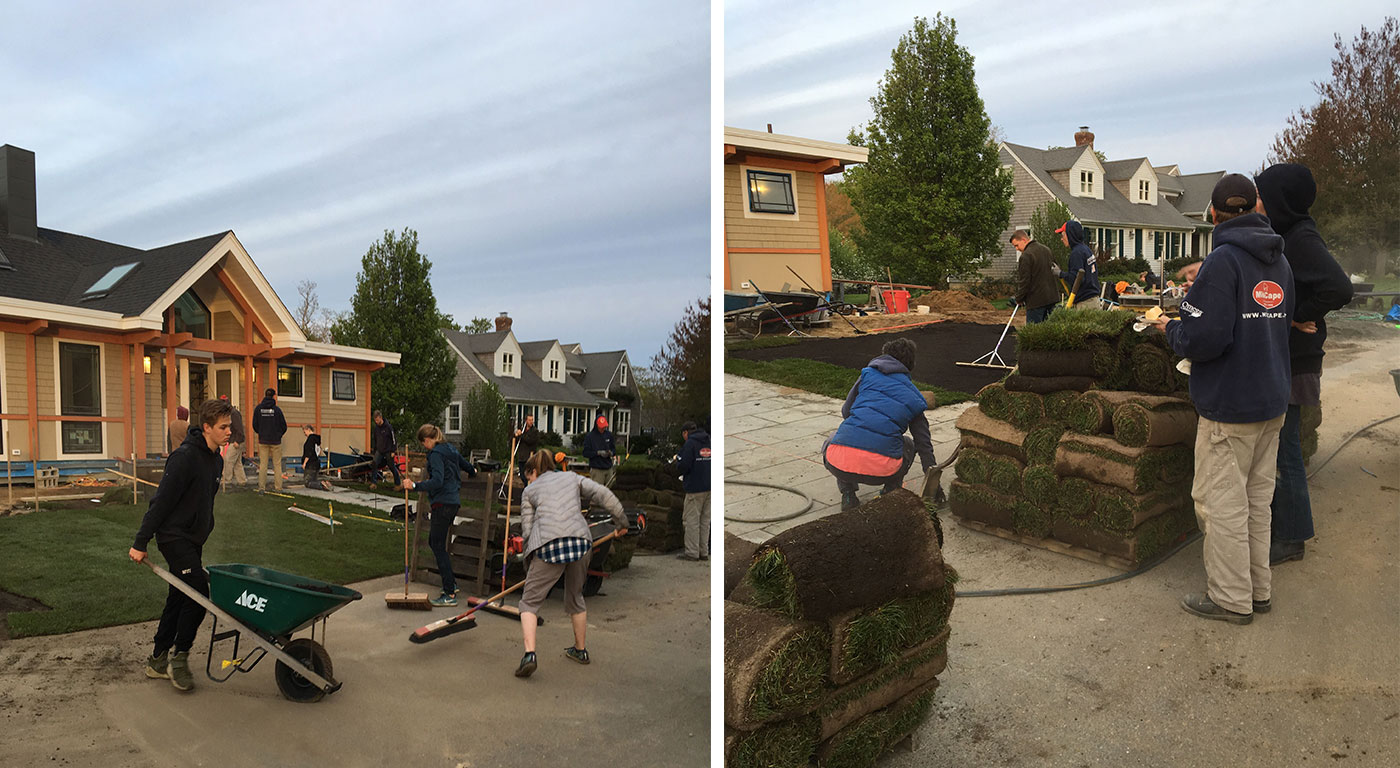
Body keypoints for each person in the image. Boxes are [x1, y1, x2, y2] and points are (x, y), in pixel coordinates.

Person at [1149, 173, 1293, 625]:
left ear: (1213, 214)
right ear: (1256, 207)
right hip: (1271, 401)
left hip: (1230, 407)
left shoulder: (1224, 260)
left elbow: (1204, 338)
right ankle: (1257, 589)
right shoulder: (1279, 262)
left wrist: (1170, 328)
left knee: (1221, 505)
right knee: (1256, 501)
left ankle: (1231, 599)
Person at [1255, 163, 1354, 565]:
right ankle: (1286, 528)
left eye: (1263, 194)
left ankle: (1292, 538)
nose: (1258, 201)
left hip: (1297, 358)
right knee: (1281, 445)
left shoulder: (1301, 237)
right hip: (1290, 355)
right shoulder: (1286, 235)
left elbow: (1340, 286)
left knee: (1285, 448)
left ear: (1279, 199)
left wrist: (1297, 313)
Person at [128, 398, 234, 692]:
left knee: (178, 596)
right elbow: (160, 503)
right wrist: (140, 542)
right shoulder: (184, 458)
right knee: (198, 594)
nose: (230, 431)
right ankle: (180, 656)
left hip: (193, 538)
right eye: (224, 427)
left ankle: (158, 660)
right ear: (207, 427)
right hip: (174, 538)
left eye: (230, 426)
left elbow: (203, 501)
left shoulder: (216, 460)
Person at [512, 450, 626, 678]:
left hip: (549, 545)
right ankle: (581, 650)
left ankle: (530, 655)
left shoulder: (530, 490)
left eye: (529, 476)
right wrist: (621, 521)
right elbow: (603, 494)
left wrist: (528, 559)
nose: (529, 481)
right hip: (581, 543)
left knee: (529, 603)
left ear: (534, 471)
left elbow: (527, 528)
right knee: (576, 597)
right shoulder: (572, 477)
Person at [822, 338, 937, 511]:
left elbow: (846, 412)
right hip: (884, 471)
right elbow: (924, 444)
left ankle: (848, 495)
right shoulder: (914, 397)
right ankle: (889, 493)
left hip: (838, 465)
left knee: (834, 439)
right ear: (911, 364)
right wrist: (935, 485)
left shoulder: (867, 376)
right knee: (909, 444)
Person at [402, 424, 477, 608]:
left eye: (423, 443)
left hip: (442, 503)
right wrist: (473, 471)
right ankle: (450, 583)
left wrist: (414, 486)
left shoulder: (436, 454)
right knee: (435, 542)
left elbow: (437, 480)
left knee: (436, 544)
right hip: (452, 502)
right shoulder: (450, 449)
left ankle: (449, 592)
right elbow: (466, 466)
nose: (424, 446)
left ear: (428, 440)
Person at [676, 421, 711, 562]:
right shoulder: (709, 440)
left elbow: (684, 465)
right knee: (705, 520)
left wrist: (677, 465)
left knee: (691, 520)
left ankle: (692, 552)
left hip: (695, 488)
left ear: (686, 432)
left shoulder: (690, 444)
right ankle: (703, 552)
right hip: (709, 486)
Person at [1009, 229, 1060, 324]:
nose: (1017, 249)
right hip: (1051, 298)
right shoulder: (1046, 250)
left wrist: (1019, 298)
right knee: (1049, 331)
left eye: (1016, 245)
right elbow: (1056, 270)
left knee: (1034, 334)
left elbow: (1024, 281)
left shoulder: (1026, 256)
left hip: (1036, 302)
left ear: (1024, 240)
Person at [1057, 221, 1102, 309]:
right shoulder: (1086, 249)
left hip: (1085, 304)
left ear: (1070, 235)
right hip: (1093, 300)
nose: (1061, 239)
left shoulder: (1076, 253)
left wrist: (1060, 273)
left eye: (1063, 235)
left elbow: (1076, 279)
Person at [251, 388, 287, 492]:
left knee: (263, 465)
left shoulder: (258, 409)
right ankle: (278, 488)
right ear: (274, 396)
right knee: (277, 465)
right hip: (276, 441)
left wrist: (261, 433)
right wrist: (278, 435)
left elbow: (255, 425)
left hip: (263, 441)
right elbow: (284, 426)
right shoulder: (277, 410)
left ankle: (261, 487)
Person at [582, 416, 617, 488]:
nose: (603, 428)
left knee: (609, 491)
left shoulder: (609, 435)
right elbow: (585, 453)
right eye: (601, 427)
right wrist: (598, 453)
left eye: (604, 427)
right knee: (597, 492)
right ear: (596, 425)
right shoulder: (590, 437)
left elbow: (614, 449)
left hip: (608, 468)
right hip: (597, 469)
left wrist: (611, 453)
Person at [220, 396, 247, 489]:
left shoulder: (234, 414)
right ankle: (242, 481)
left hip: (236, 441)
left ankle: (227, 481)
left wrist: (237, 441)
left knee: (228, 460)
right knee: (237, 463)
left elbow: (239, 428)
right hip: (233, 440)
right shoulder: (230, 413)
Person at [371, 410, 403, 489]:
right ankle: (373, 483)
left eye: (377, 420)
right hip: (380, 450)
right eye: (375, 420)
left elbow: (394, 439)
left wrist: (393, 450)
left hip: (388, 450)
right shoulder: (376, 429)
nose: (376, 421)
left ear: (381, 418)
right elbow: (375, 439)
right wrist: (374, 450)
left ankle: (398, 483)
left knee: (391, 466)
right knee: (374, 463)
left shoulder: (388, 427)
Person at [300, 424, 324, 490]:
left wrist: (304, 463)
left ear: (308, 429)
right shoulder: (316, 439)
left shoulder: (310, 440)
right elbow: (318, 451)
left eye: (305, 432)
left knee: (307, 482)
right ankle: (320, 484)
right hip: (316, 463)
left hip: (310, 464)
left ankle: (321, 485)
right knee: (314, 480)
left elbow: (308, 452)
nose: (305, 434)